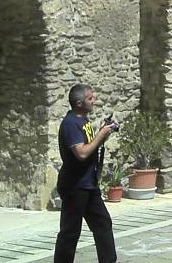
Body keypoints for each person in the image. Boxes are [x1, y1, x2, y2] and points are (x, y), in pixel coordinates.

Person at [54, 84, 118, 263]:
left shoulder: (83, 121)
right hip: (74, 186)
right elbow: (81, 153)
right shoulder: (70, 123)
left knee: (103, 224)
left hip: (89, 184)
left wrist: (105, 132)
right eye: (90, 98)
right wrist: (101, 134)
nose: (94, 101)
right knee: (70, 231)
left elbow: (90, 146)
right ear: (79, 103)